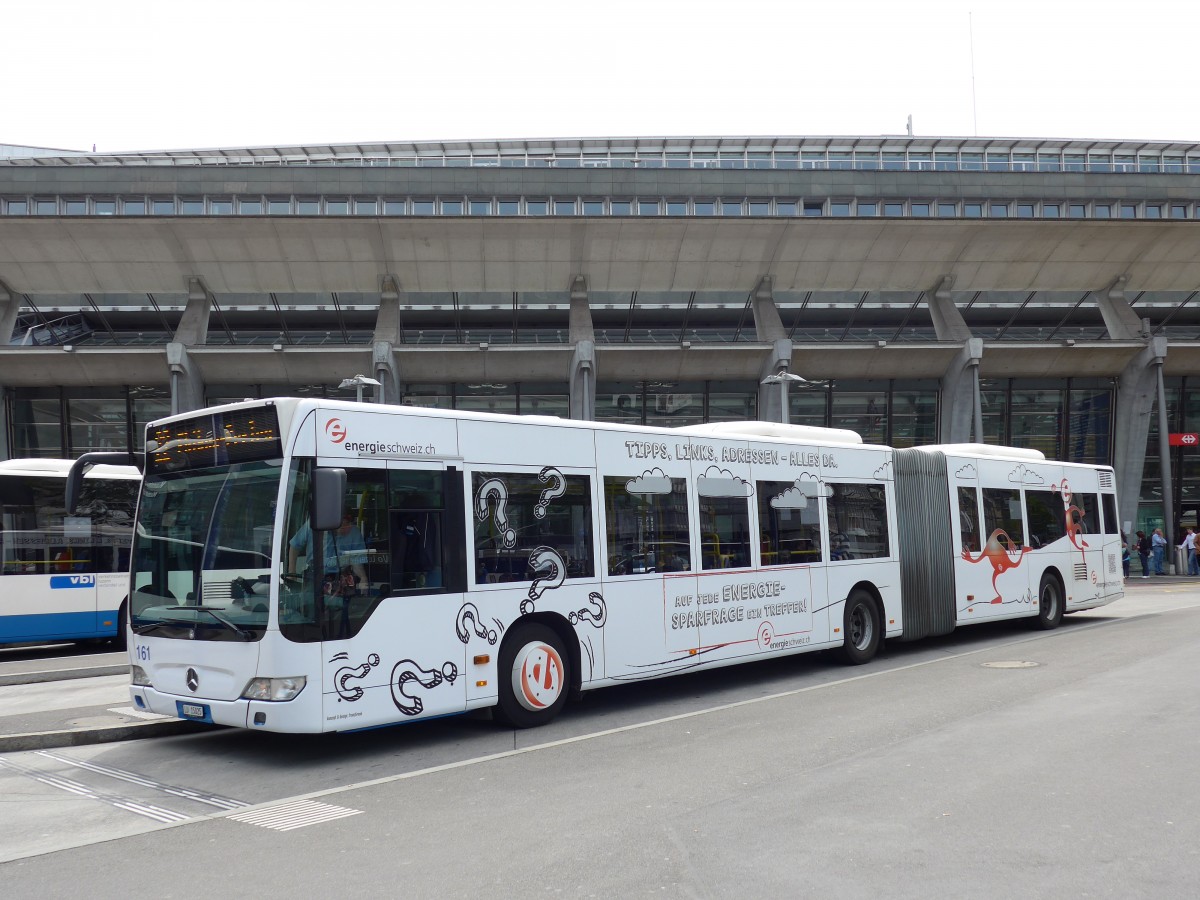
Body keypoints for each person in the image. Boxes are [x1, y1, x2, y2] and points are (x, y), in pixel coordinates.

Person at [288, 509, 367, 595]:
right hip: (314, 574)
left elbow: (356, 561)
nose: (345, 528)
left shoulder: (354, 533)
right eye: (342, 524)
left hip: (341, 577)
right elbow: (295, 545)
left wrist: (363, 577)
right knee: (309, 603)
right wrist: (292, 571)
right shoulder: (314, 524)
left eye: (348, 524)